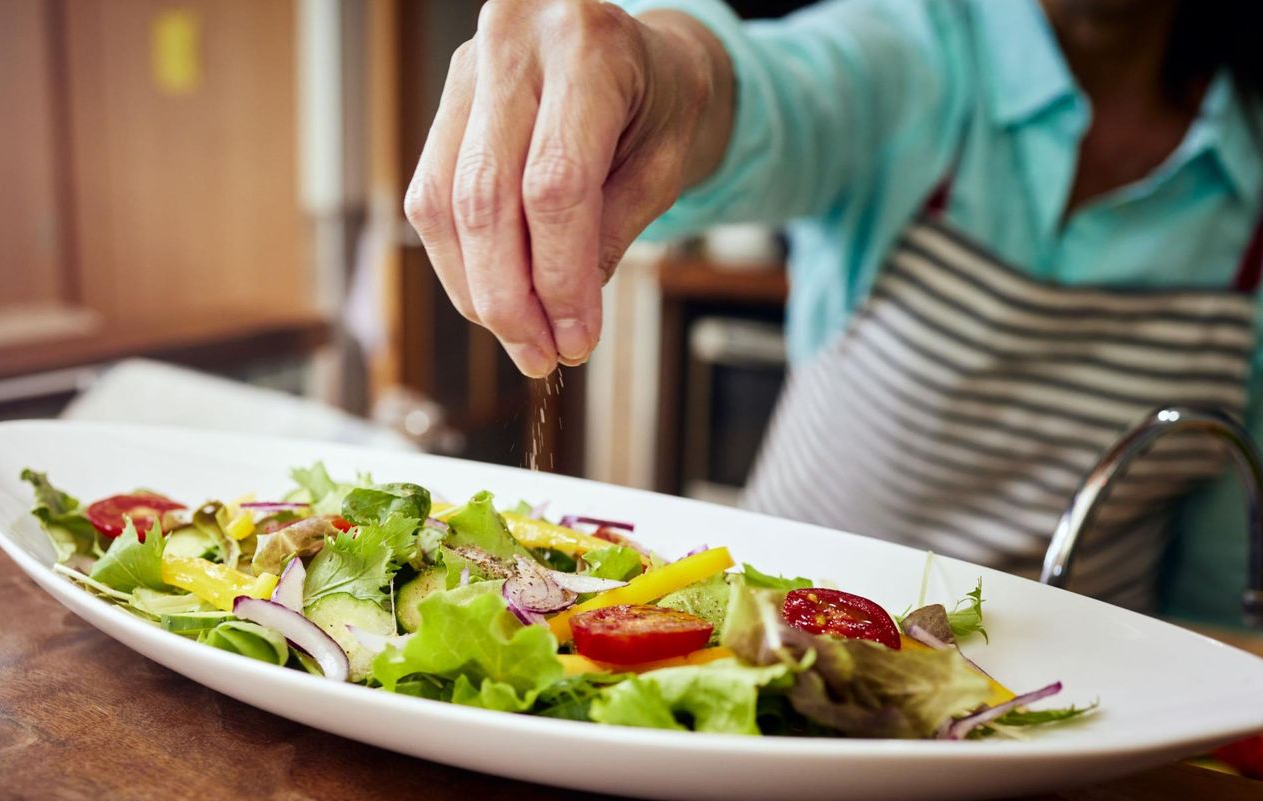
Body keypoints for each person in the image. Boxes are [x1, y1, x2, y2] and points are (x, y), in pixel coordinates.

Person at [404, 0, 1263, 624]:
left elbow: (1219, 585)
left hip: (1070, 720)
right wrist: (654, 70)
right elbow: (755, 91)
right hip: (783, 636)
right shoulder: (919, 50)